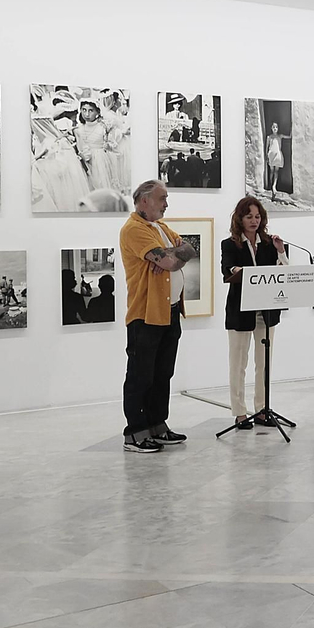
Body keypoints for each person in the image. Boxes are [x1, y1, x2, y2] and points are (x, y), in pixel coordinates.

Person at [118, 180, 194, 452]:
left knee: (163, 373)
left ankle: (157, 424)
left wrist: (172, 253)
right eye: (162, 198)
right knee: (141, 375)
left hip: (170, 312)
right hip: (146, 315)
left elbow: (189, 250)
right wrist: (172, 255)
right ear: (144, 201)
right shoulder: (133, 230)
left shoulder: (160, 228)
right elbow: (172, 262)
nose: (166, 203)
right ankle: (135, 432)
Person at [222, 195, 288, 430]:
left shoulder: (270, 243)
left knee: (264, 363)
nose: (254, 221)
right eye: (249, 216)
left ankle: (261, 410)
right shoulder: (229, 244)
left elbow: (283, 273)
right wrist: (239, 270)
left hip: (266, 312)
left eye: (257, 216)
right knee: (238, 364)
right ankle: (240, 413)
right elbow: (227, 270)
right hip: (241, 312)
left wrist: (281, 251)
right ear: (239, 218)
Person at [265, 122, 285, 193]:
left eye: (276, 127)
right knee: (271, 171)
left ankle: (274, 186)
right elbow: (267, 146)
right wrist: (266, 155)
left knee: (276, 171)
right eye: (273, 127)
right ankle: (270, 184)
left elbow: (288, 137)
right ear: (271, 128)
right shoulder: (269, 137)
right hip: (271, 154)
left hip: (277, 155)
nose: (275, 129)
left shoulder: (280, 136)